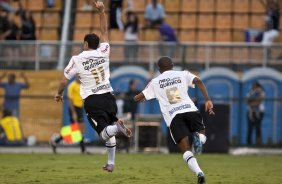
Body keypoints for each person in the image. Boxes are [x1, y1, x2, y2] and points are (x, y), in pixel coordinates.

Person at [54, 0, 131, 172]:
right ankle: (111, 163)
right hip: (109, 97)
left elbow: (63, 81)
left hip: (92, 100)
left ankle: (117, 127)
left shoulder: (77, 59)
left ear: (86, 44)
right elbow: (104, 30)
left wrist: (59, 94)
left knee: (104, 133)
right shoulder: (104, 52)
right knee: (109, 134)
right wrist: (102, 11)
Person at [134, 56, 215, 184]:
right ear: (172, 65)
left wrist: (142, 96)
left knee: (186, 150)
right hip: (189, 109)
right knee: (201, 131)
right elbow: (198, 81)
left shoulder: (155, 82)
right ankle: (200, 140)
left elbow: (138, 98)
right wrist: (208, 100)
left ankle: (199, 172)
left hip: (173, 116)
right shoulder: (183, 74)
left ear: (159, 69)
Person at [50, 77, 87, 154]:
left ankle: (55, 142)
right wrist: (73, 113)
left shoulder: (82, 86)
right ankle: (83, 150)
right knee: (79, 128)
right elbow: (70, 100)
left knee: (77, 129)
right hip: (74, 108)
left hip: (80, 108)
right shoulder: (72, 86)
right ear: (76, 76)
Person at [246, 81, 265, 146]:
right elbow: (248, 101)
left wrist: (253, 103)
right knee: (250, 128)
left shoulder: (261, 92)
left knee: (258, 128)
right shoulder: (250, 92)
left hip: (259, 112)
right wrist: (253, 103)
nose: (252, 87)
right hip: (251, 112)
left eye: (254, 85)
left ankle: (258, 143)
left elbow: (260, 100)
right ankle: (249, 143)